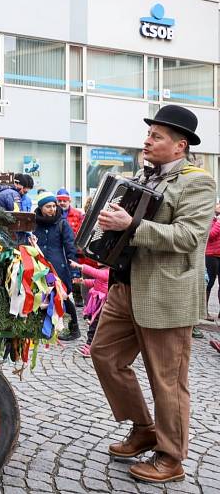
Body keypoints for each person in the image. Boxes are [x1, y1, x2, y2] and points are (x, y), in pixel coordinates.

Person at [91, 105, 215, 484]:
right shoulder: (146, 176)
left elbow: (190, 237)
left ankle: (171, 458)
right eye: (149, 134)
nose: (147, 140)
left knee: (167, 380)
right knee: (104, 356)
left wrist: (132, 225)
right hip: (125, 287)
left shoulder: (199, 182)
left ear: (180, 146)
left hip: (166, 294)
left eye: (157, 136)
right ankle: (144, 427)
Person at [31, 191, 79, 340]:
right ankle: (45, 327)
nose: (52, 209)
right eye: (48, 206)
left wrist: (74, 270)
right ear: (41, 208)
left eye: (53, 206)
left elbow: (70, 246)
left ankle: (74, 328)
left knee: (60, 296)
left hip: (56, 270)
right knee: (42, 296)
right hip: (40, 267)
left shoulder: (62, 223)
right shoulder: (34, 223)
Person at [70, 260, 109, 357]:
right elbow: (95, 282)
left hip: (102, 304)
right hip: (97, 303)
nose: (97, 261)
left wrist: (80, 266)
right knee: (96, 326)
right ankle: (93, 347)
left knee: (94, 327)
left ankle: (89, 348)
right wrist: (82, 281)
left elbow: (95, 273)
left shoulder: (108, 272)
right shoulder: (104, 270)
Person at [204, 201, 220, 320]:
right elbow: (210, 235)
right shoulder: (211, 220)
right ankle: (205, 311)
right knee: (210, 282)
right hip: (211, 255)